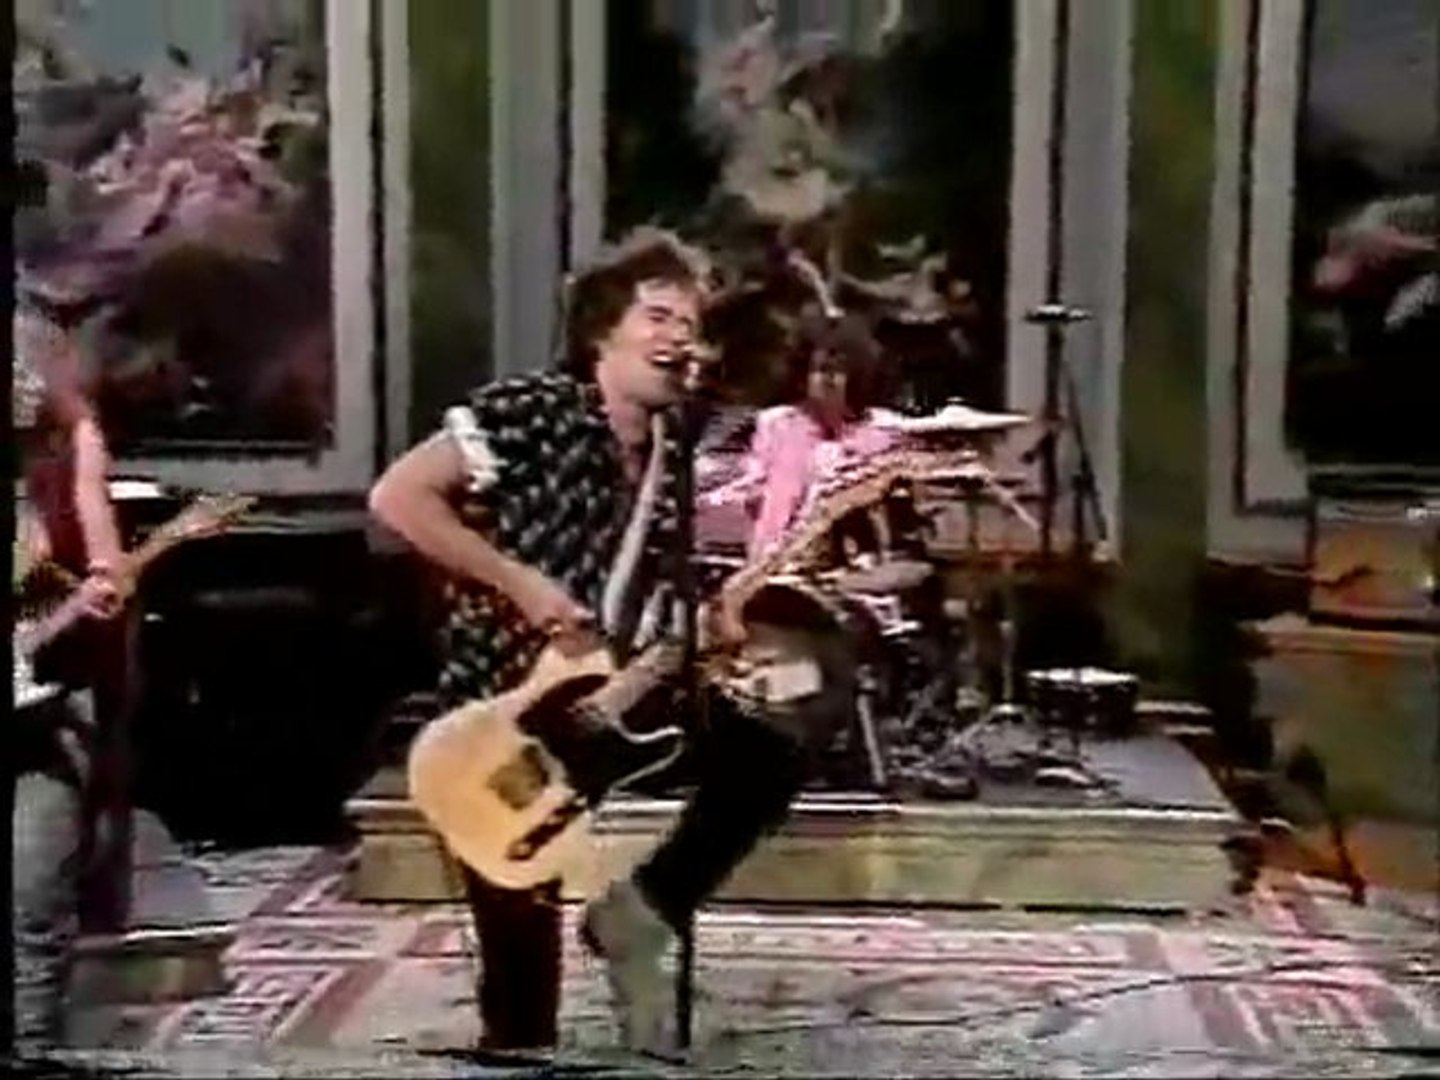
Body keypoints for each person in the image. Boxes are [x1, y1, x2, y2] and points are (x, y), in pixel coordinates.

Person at [368, 229, 823, 1059]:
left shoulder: (675, 450)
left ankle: (644, 909)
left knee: (769, 746)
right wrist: (521, 584)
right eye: (657, 317)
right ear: (601, 330)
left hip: (615, 689)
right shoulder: (529, 409)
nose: (678, 337)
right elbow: (399, 498)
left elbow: (652, 584)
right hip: (507, 701)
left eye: (689, 324)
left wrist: (712, 626)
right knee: (523, 1023)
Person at [11, 262, 132, 1053]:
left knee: (35, 896)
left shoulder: (67, 449)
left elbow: (104, 557)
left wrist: (103, 574)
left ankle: (35, 1048)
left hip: (45, 703)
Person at [701, 310, 902, 562]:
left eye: (839, 371)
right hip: (775, 556)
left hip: (856, 559)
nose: (828, 380)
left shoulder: (881, 429)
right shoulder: (778, 424)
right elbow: (753, 484)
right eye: (819, 370)